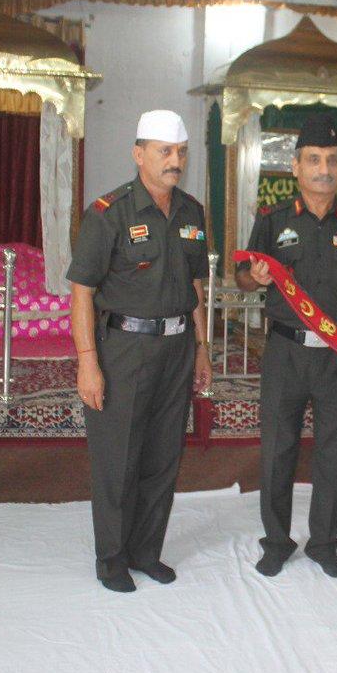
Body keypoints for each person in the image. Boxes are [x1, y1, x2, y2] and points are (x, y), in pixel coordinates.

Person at [66, 109, 212, 593]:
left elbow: (195, 284)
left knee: (162, 456)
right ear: (138, 154)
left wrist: (203, 347)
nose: (175, 161)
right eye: (164, 151)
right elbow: (82, 290)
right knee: (118, 458)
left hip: (176, 349)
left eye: (181, 152)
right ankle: (111, 559)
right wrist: (88, 361)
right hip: (123, 349)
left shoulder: (192, 212)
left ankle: (147, 552)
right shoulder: (109, 212)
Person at [235, 113, 337, 578]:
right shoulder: (272, 218)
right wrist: (252, 277)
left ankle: (324, 543)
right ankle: (276, 542)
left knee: (333, 451)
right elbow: (241, 277)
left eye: (333, 161)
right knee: (278, 449)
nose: (324, 169)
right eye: (314, 160)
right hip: (285, 352)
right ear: (296, 167)